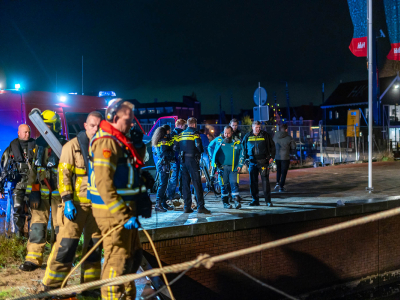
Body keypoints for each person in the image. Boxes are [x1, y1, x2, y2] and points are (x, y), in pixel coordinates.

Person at [87, 99, 147, 300]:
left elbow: (133, 164)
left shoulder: (119, 139)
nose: (131, 124)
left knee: (133, 258)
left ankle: (128, 297)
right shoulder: (106, 141)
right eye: (127, 120)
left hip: (126, 209)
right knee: (117, 260)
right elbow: (105, 184)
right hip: (112, 212)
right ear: (113, 117)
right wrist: (123, 215)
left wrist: (139, 145)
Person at [42, 111, 103, 294]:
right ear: (85, 126)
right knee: (66, 246)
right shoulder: (72, 146)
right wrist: (67, 200)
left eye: (99, 126)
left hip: (97, 207)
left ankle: (90, 287)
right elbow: (64, 175)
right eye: (92, 125)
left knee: (94, 247)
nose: (96, 129)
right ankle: (52, 287)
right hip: (75, 207)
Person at [20, 110, 67, 271]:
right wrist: (33, 191)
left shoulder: (64, 146)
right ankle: (33, 259)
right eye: (43, 125)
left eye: (47, 125)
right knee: (37, 226)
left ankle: (59, 259)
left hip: (60, 195)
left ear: (55, 126)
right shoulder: (37, 146)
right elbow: (34, 171)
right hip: (41, 193)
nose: (44, 129)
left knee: (60, 227)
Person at [0, 124, 35, 236]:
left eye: (29, 132)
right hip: (17, 183)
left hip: (33, 183)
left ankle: (33, 237)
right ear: (18, 133)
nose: (27, 134)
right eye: (25, 132)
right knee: (17, 208)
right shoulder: (11, 148)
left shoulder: (36, 146)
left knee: (34, 210)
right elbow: (3, 168)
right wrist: (0, 187)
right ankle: (19, 238)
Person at [174, 117, 211, 214]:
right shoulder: (195, 134)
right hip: (192, 161)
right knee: (197, 183)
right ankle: (200, 207)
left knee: (185, 184)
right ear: (194, 124)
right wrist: (199, 151)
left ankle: (187, 207)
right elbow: (199, 147)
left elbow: (175, 147)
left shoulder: (180, 134)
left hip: (183, 161)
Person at [240, 121, 275, 207]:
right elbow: (243, 148)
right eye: (256, 127)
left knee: (265, 182)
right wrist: (245, 159)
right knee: (253, 182)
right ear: (252, 127)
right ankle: (255, 200)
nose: (258, 129)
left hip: (263, 161)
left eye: (259, 127)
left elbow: (272, 146)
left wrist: (272, 157)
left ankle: (268, 201)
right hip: (252, 162)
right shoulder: (247, 136)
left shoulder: (265, 135)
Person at [208, 126, 243, 209]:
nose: (226, 135)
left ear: (232, 133)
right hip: (221, 168)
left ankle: (236, 201)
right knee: (224, 185)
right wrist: (212, 157)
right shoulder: (218, 140)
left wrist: (240, 165)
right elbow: (210, 147)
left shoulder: (236, 141)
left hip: (233, 168)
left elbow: (242, 152)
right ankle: (225, 203)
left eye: (228, 133)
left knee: (234, 184)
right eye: (225, 133)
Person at [152, 126, 175, 212]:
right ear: (166, 131)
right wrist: (172, 153)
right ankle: (158, 205)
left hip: (162, 164)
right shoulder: (164, 141)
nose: (170, 132)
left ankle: (163, 203)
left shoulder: (160, 140)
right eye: (169, 130)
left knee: (164, 184)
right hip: (164, 164)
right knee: (163, 185)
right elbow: (165, 153)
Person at [166, 119, 186, 201]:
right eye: (184, 126)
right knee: (182, 177)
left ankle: (171, 195)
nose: (185, 127)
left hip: (173, 158)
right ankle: (182, 194)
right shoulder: (183, 133)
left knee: (174, 177)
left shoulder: (172, 134)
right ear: (181, 125)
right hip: (181, 158)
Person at [273, 123, 296, 192]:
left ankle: (277, 183)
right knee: (284, 172)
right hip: (285, 157)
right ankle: (281, 186)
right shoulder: (289, 137)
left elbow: (272, 145)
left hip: (277, 156)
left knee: (278, 170)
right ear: (286, 129)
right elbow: (293, 147)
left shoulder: (275, 136)